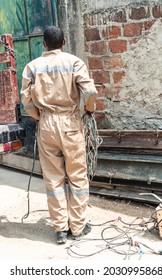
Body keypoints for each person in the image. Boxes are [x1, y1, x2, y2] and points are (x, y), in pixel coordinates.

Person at [21, 26, 97, 244]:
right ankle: (78, 226)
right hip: (71, 123)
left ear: (44, 43)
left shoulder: (32, 67)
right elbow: (89, 92)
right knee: (77, 176)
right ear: (64, 41)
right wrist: (89, 109)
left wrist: (37, 115)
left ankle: (60, 230)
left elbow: (26, 99)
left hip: (45, 124)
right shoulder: (74, 62)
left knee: (53, 178)